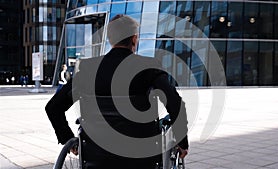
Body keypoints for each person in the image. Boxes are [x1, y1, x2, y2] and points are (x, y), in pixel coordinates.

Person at [45, 14, 188, 169]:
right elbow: (175, 103)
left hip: (97, 160)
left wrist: (67, 138)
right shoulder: (149, 66)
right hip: (143, 160)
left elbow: (53, 107)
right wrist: (182, 142)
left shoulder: (87, 70)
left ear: (110, 39)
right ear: (134, 39)